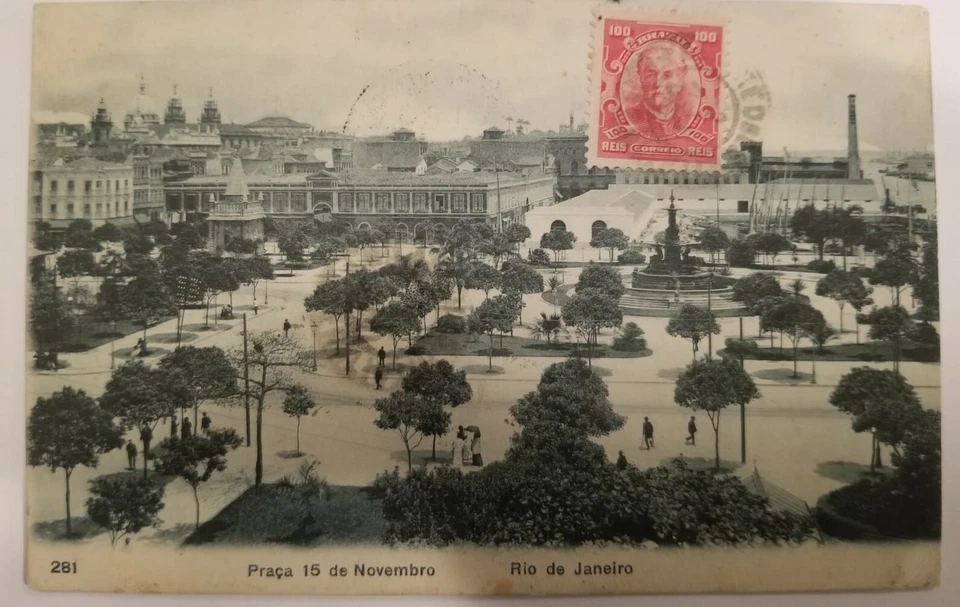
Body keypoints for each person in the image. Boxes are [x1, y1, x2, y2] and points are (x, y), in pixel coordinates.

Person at [622, 41, 696, 141]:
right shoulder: (631, 116)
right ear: (641, 78)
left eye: (667, 75)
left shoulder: (687, 117)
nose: (658, 83)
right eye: (651, 75)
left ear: (680, 79)